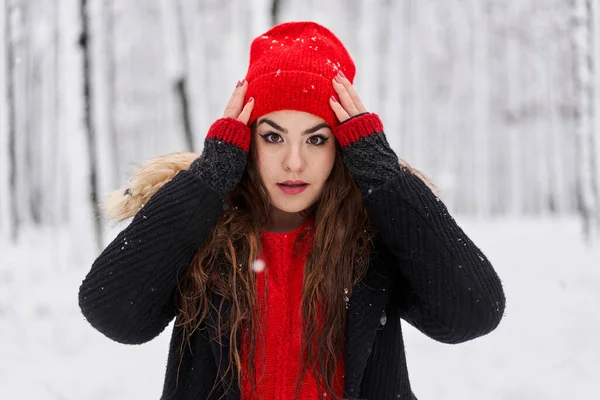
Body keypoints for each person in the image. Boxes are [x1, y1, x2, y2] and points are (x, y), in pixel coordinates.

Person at [78, 21, 506, 400]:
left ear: (343, 146)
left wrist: (383, 173)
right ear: (247, 140)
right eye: (273, 137)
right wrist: (207, 178)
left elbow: (474, 312)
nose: (294, 162)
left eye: (317, 139)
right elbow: (113, 312)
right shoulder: (203, 228)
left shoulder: (373, 233)